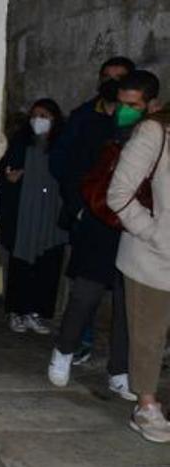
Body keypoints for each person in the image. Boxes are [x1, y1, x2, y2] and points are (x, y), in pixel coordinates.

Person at [48, 72, 148, 399]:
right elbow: (76, 171)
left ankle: (119, 371)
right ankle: (63, 351)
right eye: (121, 103)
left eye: (132, 105)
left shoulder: (153, 135)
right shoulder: (96, 130)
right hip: (98, 224)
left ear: (150, 104)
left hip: (134, 230)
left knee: (126, 305)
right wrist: (81, 210)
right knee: (85, 295)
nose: (125, 110)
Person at [105, 71, 169, 442]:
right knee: (148, 334)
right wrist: (155, 233)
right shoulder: (154, 133)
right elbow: (119, 194)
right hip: (153, 256)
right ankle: (146, 406)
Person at [0, 98, 68, 334]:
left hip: (50, 213)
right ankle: (17, 311)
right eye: (35, 115)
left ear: (54, 119)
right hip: (24, 214)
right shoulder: (20, 142)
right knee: (21, 263)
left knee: (47, 263)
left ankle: (37, 312)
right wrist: (10, 179)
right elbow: (6, 172)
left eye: (45, 116)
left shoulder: (62, 144)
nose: (39, 120)